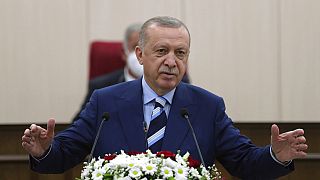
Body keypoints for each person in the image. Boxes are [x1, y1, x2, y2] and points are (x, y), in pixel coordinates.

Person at [22, 16, 307, 179]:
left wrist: (275, 156)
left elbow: (244, 162)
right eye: (161, 51)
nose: (171, 61)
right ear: (140, 55)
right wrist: (43, 151)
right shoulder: (105, 102)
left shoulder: (208, 106)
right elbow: (65, 155)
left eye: (180, 53)